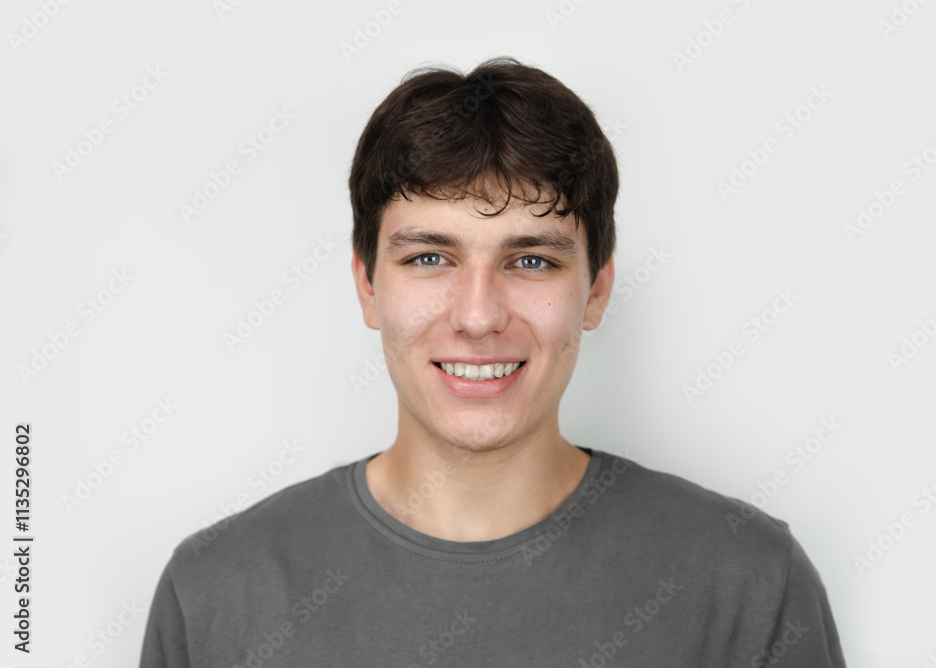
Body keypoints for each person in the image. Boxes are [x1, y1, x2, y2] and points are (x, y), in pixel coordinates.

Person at [139, 56, 846, 667]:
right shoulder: (216, 594)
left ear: (595, 290)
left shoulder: (749, 585)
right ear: (367, 285)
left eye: (531, 260)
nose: (478, 316)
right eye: (429, 257)